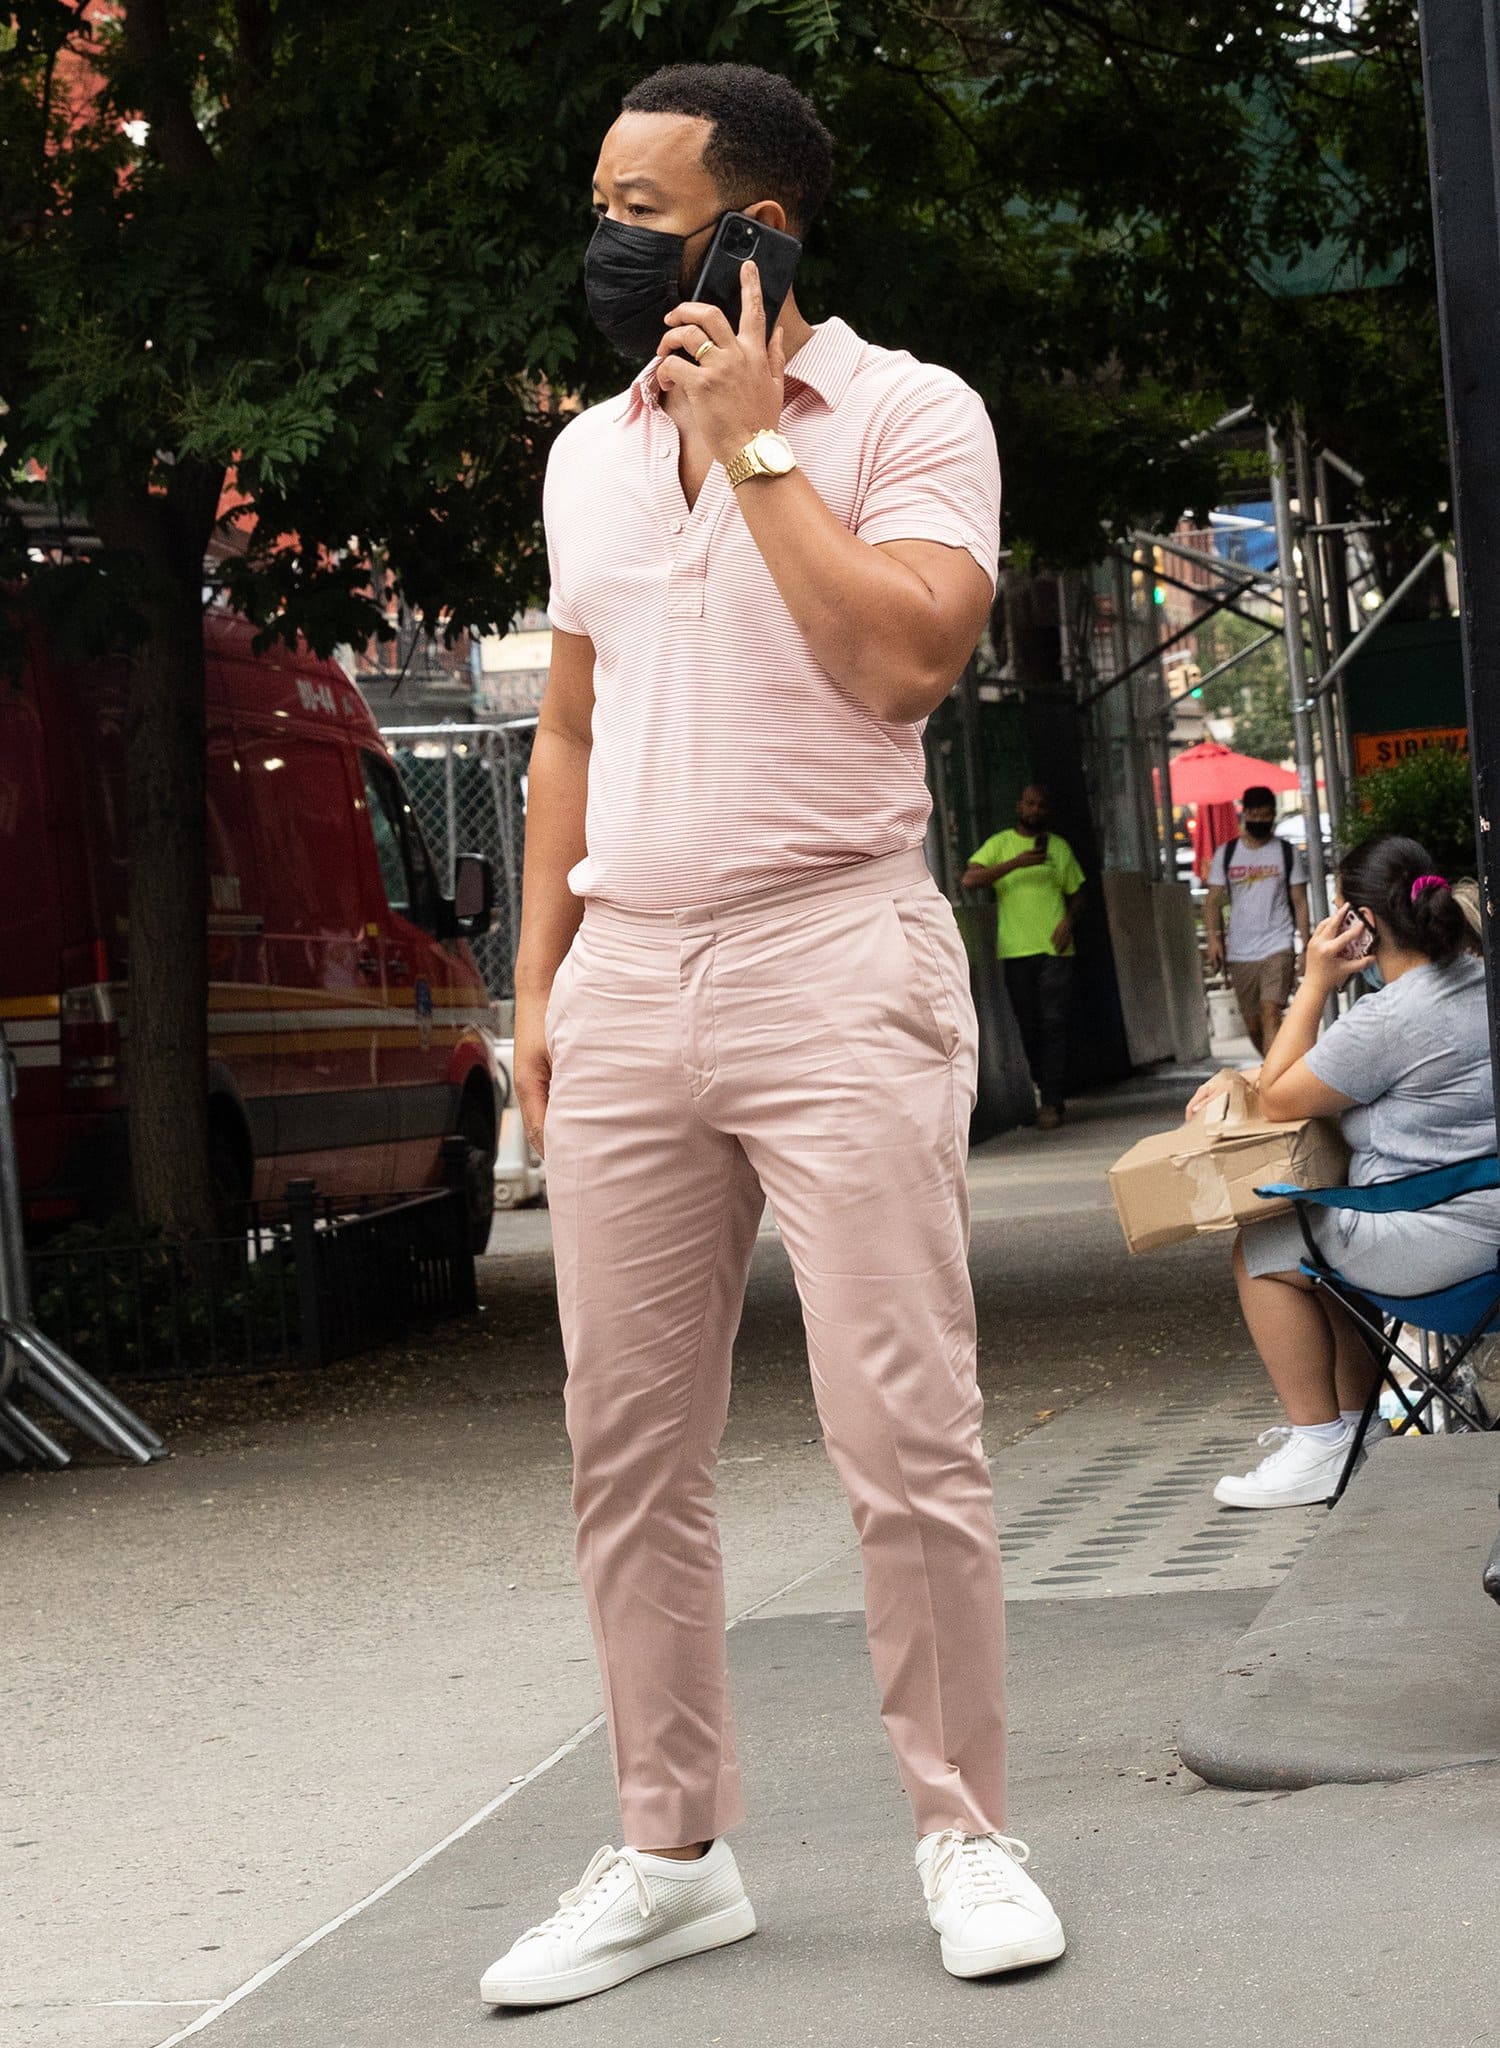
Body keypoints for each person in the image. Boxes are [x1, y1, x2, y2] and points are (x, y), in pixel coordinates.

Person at [482, 63, 1064, 2011]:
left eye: (647, 205)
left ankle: (964, 1828)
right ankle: (670, 1848)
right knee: (624, 1444)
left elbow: (905, 655)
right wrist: (537, 980)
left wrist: (754, 450)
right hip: (634, 972)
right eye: (601, 198)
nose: (610, 238)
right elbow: (569, 727)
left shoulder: (913, 415)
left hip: (837, 958)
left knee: (903, 1427)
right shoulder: (582, 457)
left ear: (761, 228)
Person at [1194, 833, 1500, 1510]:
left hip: (1448, 1249)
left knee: (1265, 1246)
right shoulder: (1483, 981)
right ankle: (1358, 1433)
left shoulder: (1391, 1015)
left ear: (1358, 922)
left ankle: (1320, 1443)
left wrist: (1316, 979)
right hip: (1484, 1231)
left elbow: (1276, 1098)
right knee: (1326, 1237)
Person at [962, 784, 1085, 1129]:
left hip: (1055, 950)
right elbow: (970, 879)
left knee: (1054, 1023)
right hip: (1016, 949)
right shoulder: (1001, 844)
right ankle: (1047, 1091)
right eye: (1030, 804)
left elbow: (1078, 894)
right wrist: (1015, 863)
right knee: (1029, 1026)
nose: (1035, 810)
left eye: (1041, 805)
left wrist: (1069, 921)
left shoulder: (1058, 848)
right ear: (1019, 806)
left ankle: (1049, 1101)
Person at [1204, 786, 1310, 1054]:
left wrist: (1306, 947)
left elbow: (1299, 901)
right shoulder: (1226, 854)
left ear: (1273, 815)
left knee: (1271, 1012)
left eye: (1267, 815)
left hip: (1278, 944)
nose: (1262, 821)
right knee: (1252, 1024)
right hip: (1241, 950)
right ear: (1246, 813)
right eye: (1256, 815)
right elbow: (1212, 901)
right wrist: (1214, 940)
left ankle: (1271, 1081)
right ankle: (1275, 1066)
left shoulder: (1287, 853)